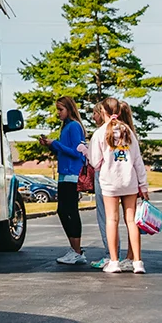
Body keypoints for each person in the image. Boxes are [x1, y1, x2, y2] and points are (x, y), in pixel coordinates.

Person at [92, 96, 150, 274]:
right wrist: (143, 185)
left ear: (103, 111)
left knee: (112, 220)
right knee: (131, 221)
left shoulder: (100, 133)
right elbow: (138, 161)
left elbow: (95, 162)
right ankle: (137, 262)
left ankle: (114, 261)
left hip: (110, 182)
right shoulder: (128, 131)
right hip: (129, 181)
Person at [51, 96, 92, 266]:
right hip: (64, 174)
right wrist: (51, 145)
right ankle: (75, 249)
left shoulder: (74, 126)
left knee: (70, 211)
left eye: (60, 109)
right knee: (63, 211)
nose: (58, 113)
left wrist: (56, 144)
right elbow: (64, 151)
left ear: (69, 109)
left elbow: (77, 152)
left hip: (72, 175)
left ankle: (77, 251)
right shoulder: (66, 127)